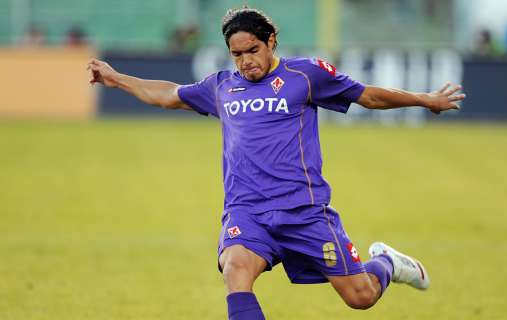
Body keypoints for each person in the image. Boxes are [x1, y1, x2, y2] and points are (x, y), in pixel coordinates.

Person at [87, 7, 465, 319]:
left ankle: (386, 262)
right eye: (236, 54)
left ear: (270, 42)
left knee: (360, 296)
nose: (245, 61)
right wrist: (115, 78)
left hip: (303, 211)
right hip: (247, 211)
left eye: (252, 50)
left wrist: (424, 99)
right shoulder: (221, 86)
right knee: (235, 269)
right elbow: (168, 94)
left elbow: (368, 97)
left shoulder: (306, 75)